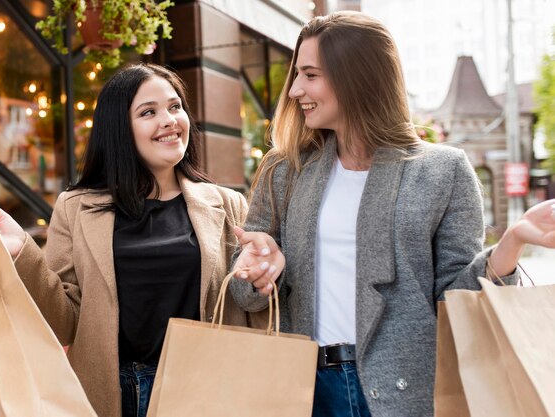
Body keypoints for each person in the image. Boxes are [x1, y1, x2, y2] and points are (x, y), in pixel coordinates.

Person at [229, 11, 555, 417]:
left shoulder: (443, 170)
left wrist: (512, 242)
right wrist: (259, 269)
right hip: (304, 390)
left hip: (405, 393)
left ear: (356, 77)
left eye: (310, 75)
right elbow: (242, 292)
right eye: (297, 74)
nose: (294, 89)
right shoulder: (286, 170)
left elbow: (456, 297)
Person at [0, 63, 263, 417]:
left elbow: (247, 303)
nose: (168, 120)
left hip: (201, 390)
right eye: (148, 112)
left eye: (175, 106)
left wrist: (260, 276)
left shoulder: (228, 205)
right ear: (120, 128)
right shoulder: (75, 208)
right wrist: (21, 253)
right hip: (108, 393)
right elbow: (65, 322)